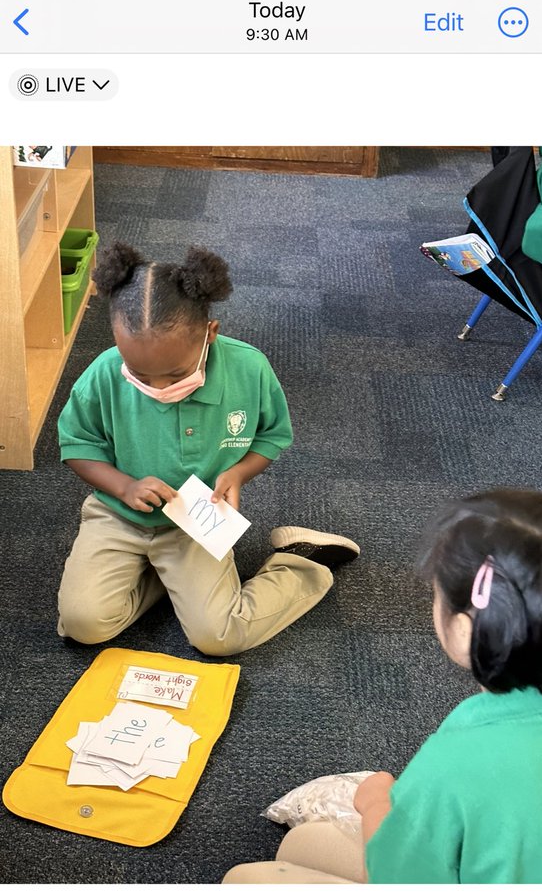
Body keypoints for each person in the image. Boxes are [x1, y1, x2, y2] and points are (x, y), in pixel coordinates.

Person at [57, 242, 360, 656]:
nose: (158, 389)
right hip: (118, 515)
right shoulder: (103, 374)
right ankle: (167, 579)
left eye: (176, 374)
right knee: (83, 625)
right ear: (116, 341)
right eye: (140, 373)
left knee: (218, 637)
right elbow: (77, 444)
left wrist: (238, 473)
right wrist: (124, 487)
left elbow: (270, 436)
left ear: (209, 334)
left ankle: (302, 562)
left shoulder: (249, 368)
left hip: (195, 523)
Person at [354, 489, 542, 884]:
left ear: (464, 632)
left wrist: (374, 801)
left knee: (253, 876)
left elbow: (398, 886)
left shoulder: (454, 763)